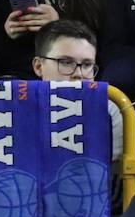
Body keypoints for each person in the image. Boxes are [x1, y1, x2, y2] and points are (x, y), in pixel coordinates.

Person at [32, 20, 122, 163]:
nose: (79, 74)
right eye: (66, 62)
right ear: (38, 66)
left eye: (87, 65)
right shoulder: (16, 107)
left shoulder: (109, 109)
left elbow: (115, 173)